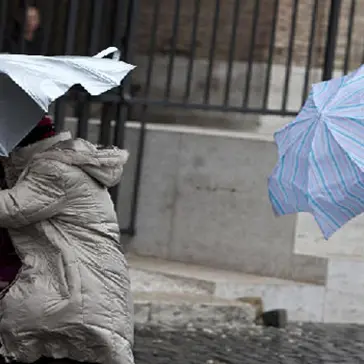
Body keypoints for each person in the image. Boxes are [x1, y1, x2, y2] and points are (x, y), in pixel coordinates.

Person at [0, 116, 134, 364]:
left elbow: (11, 208)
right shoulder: (59, 162)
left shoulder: (55, 170)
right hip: (87, 288)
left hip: (78, 291)